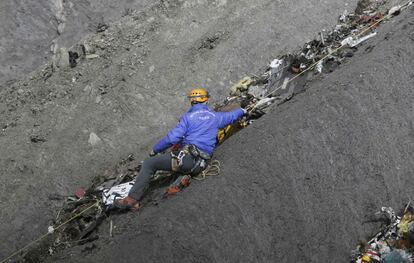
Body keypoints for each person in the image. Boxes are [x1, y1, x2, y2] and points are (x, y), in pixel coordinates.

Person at [114, 88, 246, 210]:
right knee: (178, 158)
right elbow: (232, 116)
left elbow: (172, 138)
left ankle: (131, 200)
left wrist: (155, 150)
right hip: (202, 164)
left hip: (187, 160)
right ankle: (183, 177)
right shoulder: (215, 117)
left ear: (192, 102)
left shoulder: (188, 118)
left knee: (150, 164)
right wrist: (243, 110)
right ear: (205, 100)